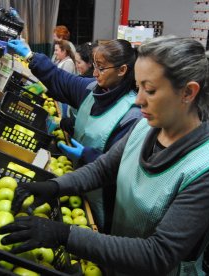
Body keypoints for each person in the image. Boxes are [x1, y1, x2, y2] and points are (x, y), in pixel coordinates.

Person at [0, 36, 209, 275]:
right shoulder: (146, 128)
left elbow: (158, 254)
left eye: (150, 90)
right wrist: (54, 186)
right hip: (119, 262)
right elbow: (103, 169)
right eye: (139, 87)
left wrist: (63, 234)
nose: (139, 100)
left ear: (188, 92)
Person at [7, 38, 141, 233]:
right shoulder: (91, 89)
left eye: (101, 68)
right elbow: (59, 78)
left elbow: (124, 168)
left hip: (102, 199)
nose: (94, 73)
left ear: (121, 71)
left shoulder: (131, 115)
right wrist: (30, 57)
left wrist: (89, 155)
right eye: (94, 66)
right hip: (74, 182)